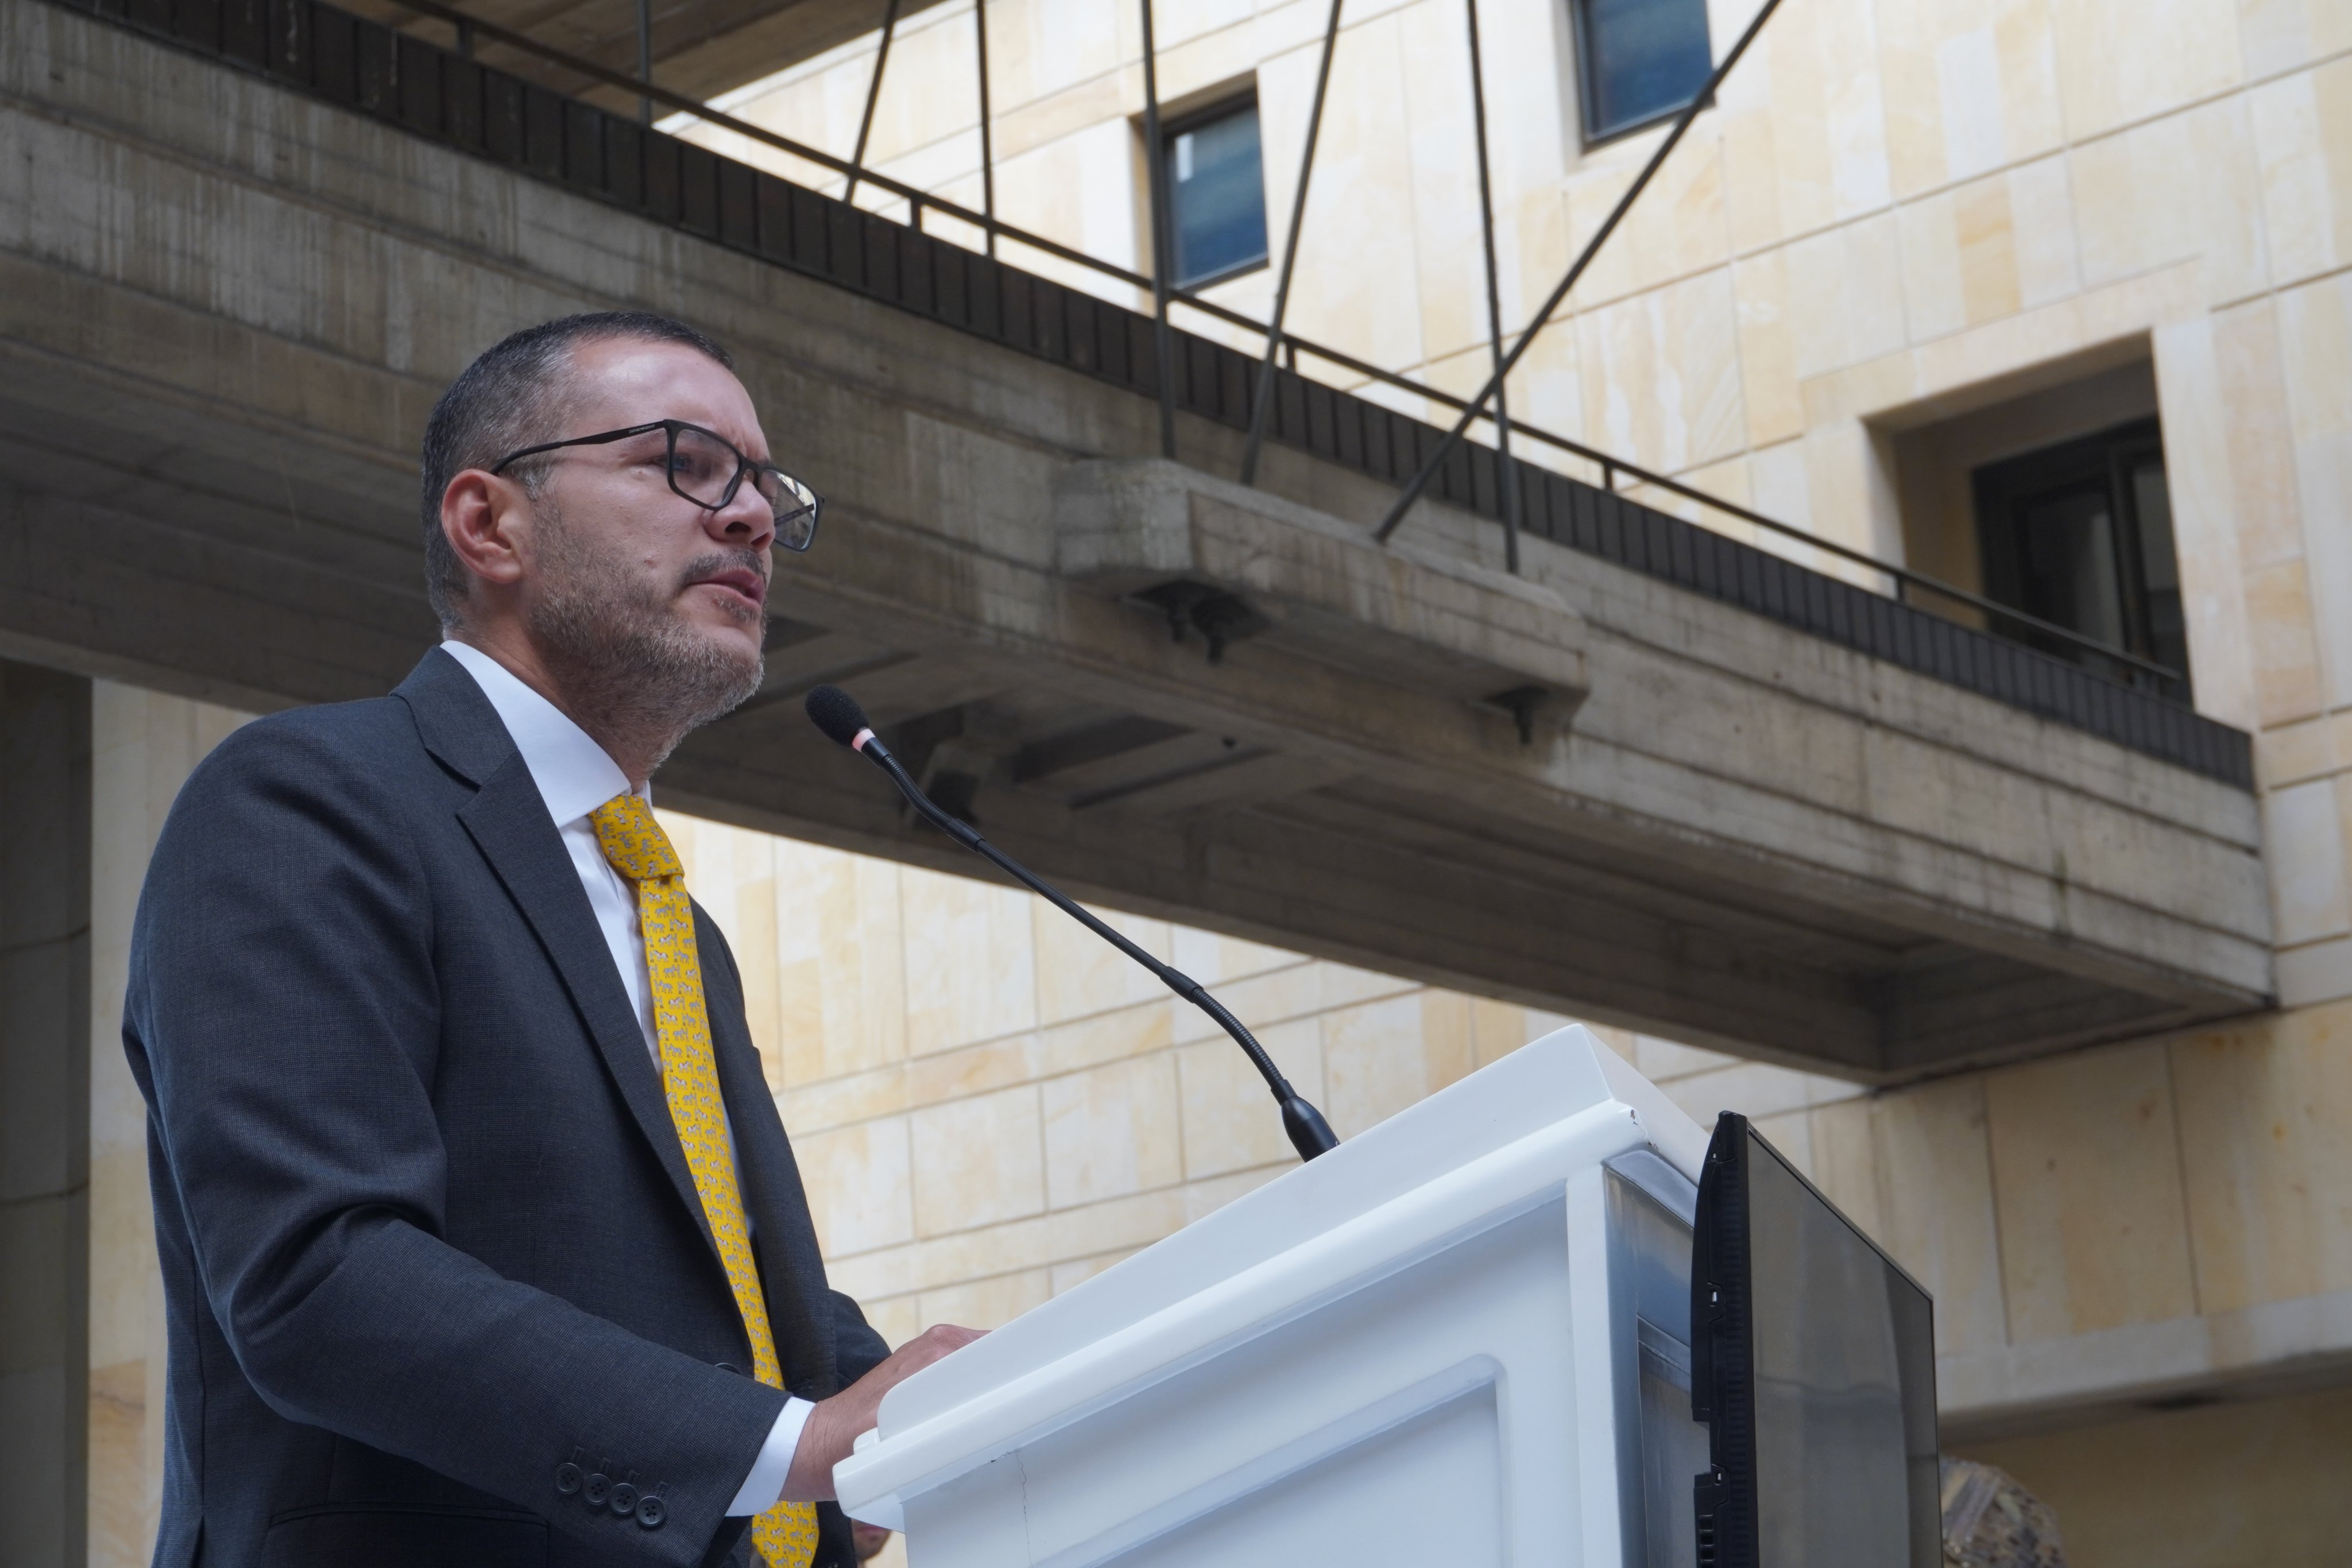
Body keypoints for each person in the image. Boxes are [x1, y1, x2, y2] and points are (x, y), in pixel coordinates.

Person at [124, 311, 978, 1568]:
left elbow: (726, 1308)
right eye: (683, 461)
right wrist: (786, 1446)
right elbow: (320, 1277)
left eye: (766, 489)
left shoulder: (675, 922)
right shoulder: (306, 797)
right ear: (489, 524)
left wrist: (956, 1406)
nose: (746, 516)